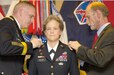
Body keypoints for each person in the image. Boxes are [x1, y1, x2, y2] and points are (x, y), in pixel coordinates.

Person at [68, 2, 114, 75]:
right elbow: (96, 63)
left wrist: (79, 48)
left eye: (88, 17)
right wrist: (80, 59)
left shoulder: (111, 33)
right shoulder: (104, 35)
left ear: (98, 15)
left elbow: (101, 60)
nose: (86, 22)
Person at [0, 1, 42, 75]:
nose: (32, 21)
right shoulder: (6, 23)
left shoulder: (15, 27)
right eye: (31, 16)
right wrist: (31, 45)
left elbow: (15, 55)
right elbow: (4, 46)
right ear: (21, 12)